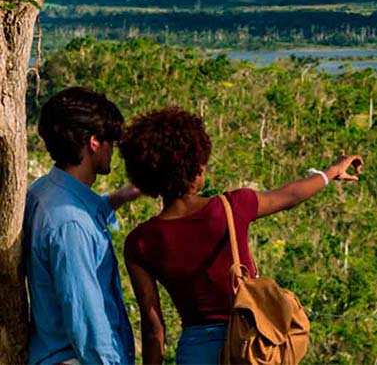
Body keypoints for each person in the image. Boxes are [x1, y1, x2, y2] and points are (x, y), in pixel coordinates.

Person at [120, 107, 363, 364]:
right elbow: (290, 196)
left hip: (195, 352)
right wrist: (331, 172)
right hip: (250, 345)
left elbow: (153, 328)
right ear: (196, 168)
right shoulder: (231, 207)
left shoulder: (140, 242)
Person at [24, 87, 142, 365]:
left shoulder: (43, 192)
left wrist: (119, 198)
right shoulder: (71, 224)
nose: (113, 150)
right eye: (111, 142)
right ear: (94, 142)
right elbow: (87, 321)